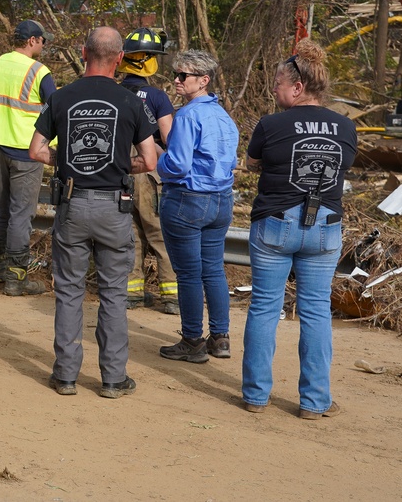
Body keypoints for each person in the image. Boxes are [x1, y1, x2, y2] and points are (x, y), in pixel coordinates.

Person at [29, 26, 157, 398]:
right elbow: (149, 159)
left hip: (73, 202)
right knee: (114, 293)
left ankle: (66, 376)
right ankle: (113, 379)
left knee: (69, 291)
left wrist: (67, 162)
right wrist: (117, 166)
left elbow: (35, 151)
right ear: (120, 59)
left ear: (84, 53)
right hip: (114, 207)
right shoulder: (132, 101)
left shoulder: (62, 97)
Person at [242, 40, 356, 419]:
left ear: (296, 87)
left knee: (263, 308)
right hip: (325, 226)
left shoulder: (271, 124)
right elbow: (342, 169)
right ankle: (314, 402)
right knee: (316, 312)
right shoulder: (345, 126)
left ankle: (256, 397)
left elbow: (251, 162)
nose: (274, 91)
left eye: (277, 84)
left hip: (276, 223)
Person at [157, 50, 239, 364]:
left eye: (183, 76)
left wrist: (156, 156)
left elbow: (177, 165)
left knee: (189, 274)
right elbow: (230, 162)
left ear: (203, 80)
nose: (176, 80)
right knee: (213, 270)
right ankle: (220, 339)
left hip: (188, 201)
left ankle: (192, 340)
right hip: (221, 201)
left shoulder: (188, 115)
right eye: (176, 74)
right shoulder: (223, 116)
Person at [0, 19, 57, 297]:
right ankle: (17, 278)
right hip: (26, 150)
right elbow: (55, 111)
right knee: (21, 214)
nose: (43, 45)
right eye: (42, 40)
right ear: (32, 41)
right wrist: (56, 148)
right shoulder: (40, 72)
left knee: (1, 208)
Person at [117, 27, 179, 313]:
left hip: (117, 168)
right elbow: (169, 138)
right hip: (148, 167)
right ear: (148, 60)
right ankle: (172, 296)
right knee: (159, 232)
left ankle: (132, 292)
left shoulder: (113, 91)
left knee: (129, 233)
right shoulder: (156, 96)